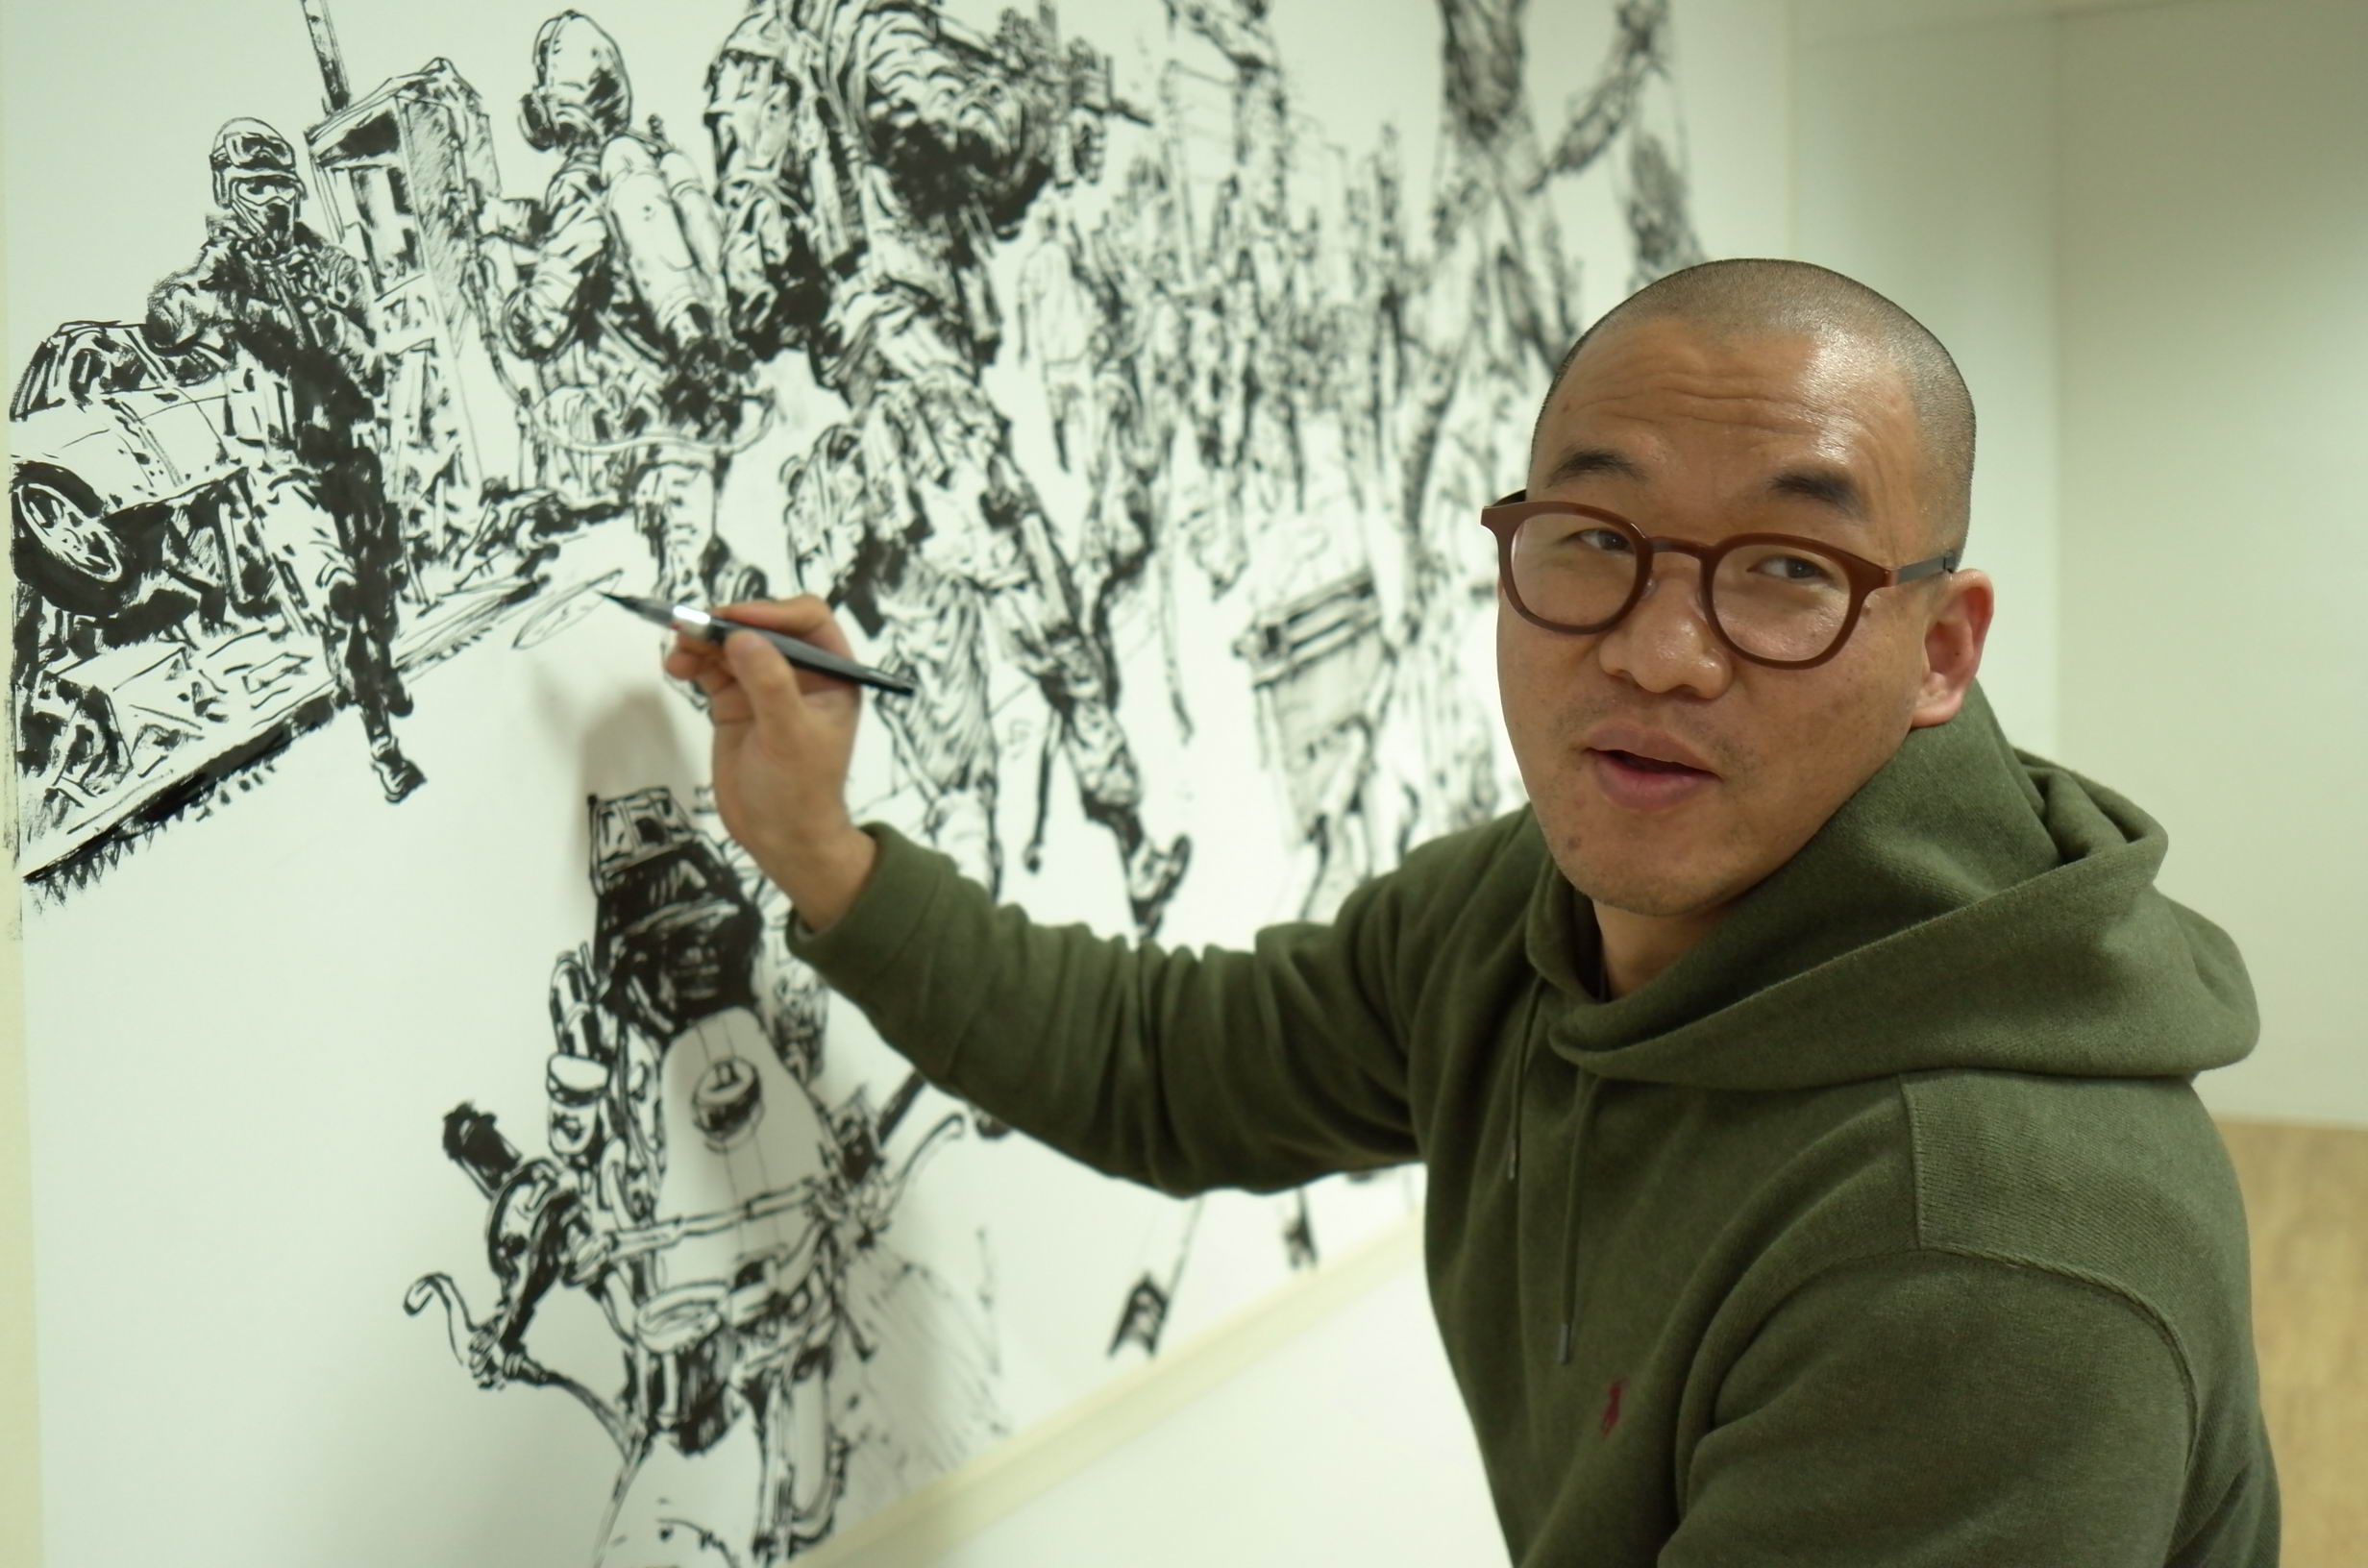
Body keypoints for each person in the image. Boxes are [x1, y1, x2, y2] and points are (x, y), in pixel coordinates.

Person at [661, 258, 2278, 1565]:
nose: (1656, 650)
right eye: (1594, 539)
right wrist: (819, 847)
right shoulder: (1531, 912)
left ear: (1940, 649)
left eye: (1787, 568)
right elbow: (1170, 1063)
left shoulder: (1982, 1253)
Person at [149, 117, 425, 802]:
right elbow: (171, 308)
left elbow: (371, 357)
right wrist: (226, 309)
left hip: (349, 454)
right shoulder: (225, 264)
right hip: (279, 467)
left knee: (377, 589)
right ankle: (383, 745)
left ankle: (380, 664)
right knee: (337, 595)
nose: (271, 199)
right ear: (228, 191)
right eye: (254, 186)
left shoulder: (328, 263)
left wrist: (320, 328)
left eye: (279, 184)